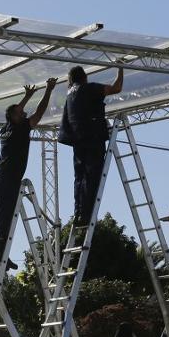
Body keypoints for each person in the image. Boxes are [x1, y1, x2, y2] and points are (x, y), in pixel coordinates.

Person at [0, 78, 57, 269]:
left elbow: (13, 112)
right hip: (8, 180)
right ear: (16, 117)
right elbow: (39, 113)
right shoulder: (20, 127)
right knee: (4, 218)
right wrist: (48, 90)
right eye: (21, 112)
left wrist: (26, 97)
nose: (24, 113)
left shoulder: (6, 128)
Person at [58, 65, 124, 227]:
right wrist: (120, 69)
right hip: (92, 138)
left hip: (78, 140)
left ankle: (79, 213)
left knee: (79, 178)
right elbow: (116, 88)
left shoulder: (70, 94)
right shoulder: (89, 88)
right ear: (84, 77)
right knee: (91, 177)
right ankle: (86, 215)